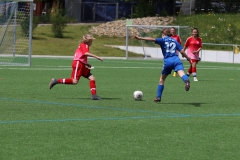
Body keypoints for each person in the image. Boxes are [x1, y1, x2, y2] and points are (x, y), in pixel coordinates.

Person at [134, 28, 191, 102]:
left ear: (163, 34)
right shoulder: (174, 40)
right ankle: (186, 81)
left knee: (162, 79)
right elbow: (182, 51)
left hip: (168, 61)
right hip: (176, 60)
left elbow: (152, 39)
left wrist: (140, 38)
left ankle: (158, 97)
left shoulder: (163, 39)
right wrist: (187, 58)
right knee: (182, 74)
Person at [49, 34, 103, 100]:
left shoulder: (83, 45)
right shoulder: (84, 45)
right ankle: (56, 81)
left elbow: (80, 56)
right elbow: (85, 53)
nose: (92, 42)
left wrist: (86, 63)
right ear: (88, 41)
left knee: (92, 78)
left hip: (81, 64)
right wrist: (97, 57)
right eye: (91, 41)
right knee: (74, 81)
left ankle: (94, 95)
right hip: (78, 64)